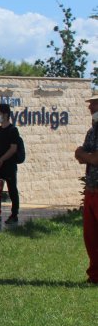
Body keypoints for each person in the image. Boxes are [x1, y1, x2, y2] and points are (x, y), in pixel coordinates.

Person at [74, 96, 98, 284]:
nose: (90, 107)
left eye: (94, 104)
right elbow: (80, 154)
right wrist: (85, 155)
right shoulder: (92, 132)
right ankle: (95, 275)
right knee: (90, 236)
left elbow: (95, 159)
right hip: (91, 189)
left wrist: (85, 155)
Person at [0, 103, 21, 224]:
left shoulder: (13, 130)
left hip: (9, 164)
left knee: (12, 189)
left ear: (5, 115)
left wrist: (2, 159)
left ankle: (14, 214)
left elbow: (13, 148)